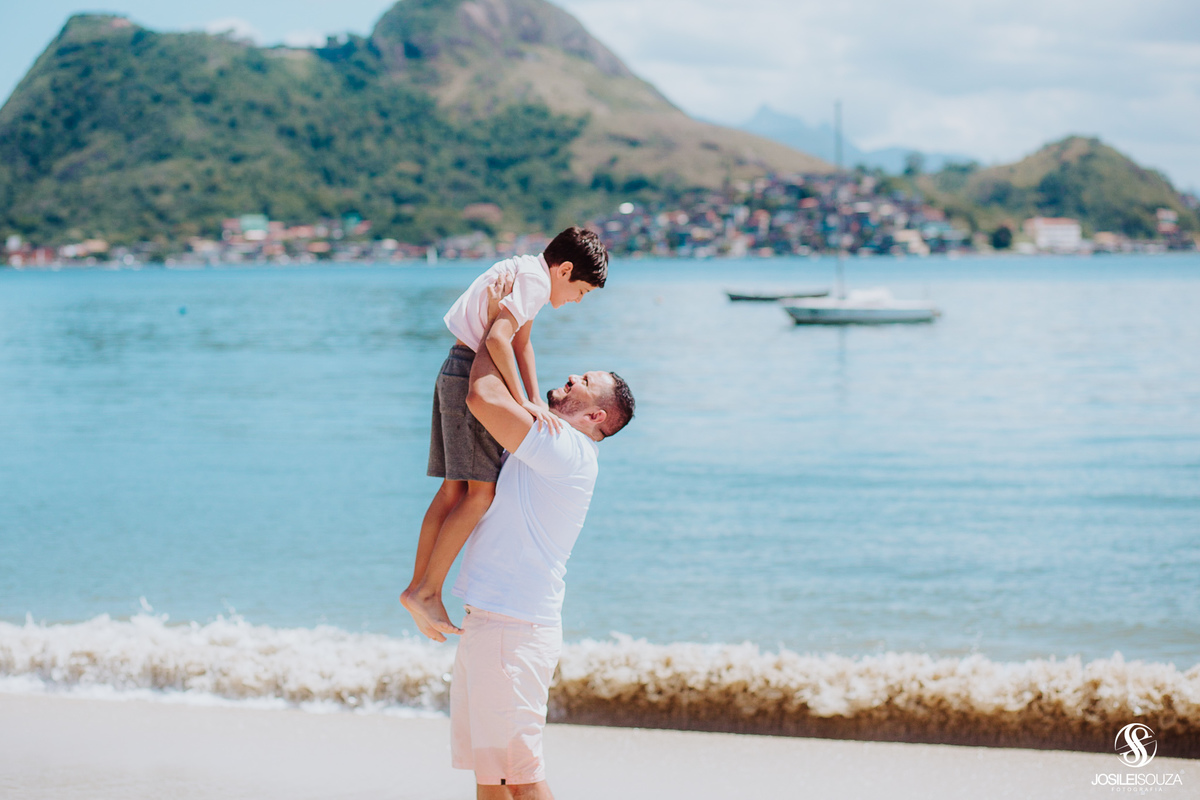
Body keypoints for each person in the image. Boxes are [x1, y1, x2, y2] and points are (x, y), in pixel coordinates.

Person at [451, 281, 635, 797]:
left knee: (522, 779)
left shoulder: (566, 447)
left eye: (585, 381)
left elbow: (483, 396)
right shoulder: (554, 440)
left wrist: (500, 321)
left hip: (512, 627)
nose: (572, 375)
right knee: (493, 780)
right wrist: (514, 328)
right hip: (495, 621)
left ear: (595, 416)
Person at [401, 227, 609, 642]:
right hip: (469, 374)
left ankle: (419, 588)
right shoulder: (533, 281)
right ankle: (426, 589)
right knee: (480, 493)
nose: (577, 301)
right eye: (581, 290)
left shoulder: (526, 273)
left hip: (455, 368)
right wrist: (522, 400)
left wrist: (533, 397)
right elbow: (498, 339)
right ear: (564, 270)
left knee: (453, 491)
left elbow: (522, 343)